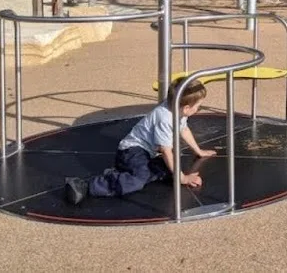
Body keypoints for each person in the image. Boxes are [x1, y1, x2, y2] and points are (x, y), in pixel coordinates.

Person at [64, 77, 216, 205]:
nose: (199, 109)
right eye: (198, 106)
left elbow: (184, 129)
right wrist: (182, 178)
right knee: (138, 180)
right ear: (187, 108)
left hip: (147, 152)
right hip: (131, 151)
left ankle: (125, 172)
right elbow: (166, 150)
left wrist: (199, 151)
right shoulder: (165, 118)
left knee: (165, 170)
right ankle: (87, 186)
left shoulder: (177, 108)